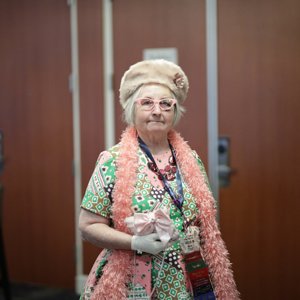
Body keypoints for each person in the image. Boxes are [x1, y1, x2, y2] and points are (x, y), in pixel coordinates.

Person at [79, 59, 239, 300]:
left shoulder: (191, 159)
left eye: (166, 104)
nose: (157, 110)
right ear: (132, 109)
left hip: (187, 278)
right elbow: (88, 226)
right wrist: (135, 242)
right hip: (133, 281)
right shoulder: (111, 161)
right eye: (147, 103)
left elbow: (204, 220)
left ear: (175, 112)